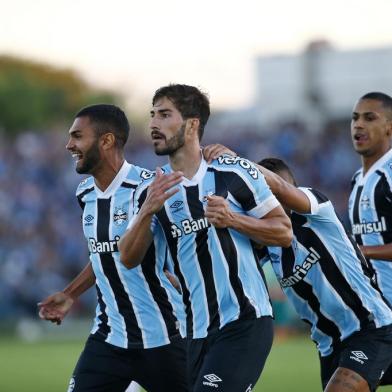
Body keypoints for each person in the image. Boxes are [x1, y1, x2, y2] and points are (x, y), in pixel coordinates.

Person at [119, 84, 293, 391]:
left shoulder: (233, 172)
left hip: (244, 320)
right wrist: (147, 211)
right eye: (151, 115)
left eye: (164, 115)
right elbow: (128, 257)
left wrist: (232, 219)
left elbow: (283, 231)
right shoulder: (151, 191)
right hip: (195, 332)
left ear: (192, 123)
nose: (153, 124)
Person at [38, 104, 189, 392]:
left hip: (163, 336)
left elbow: (131, 258)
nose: (69, 145)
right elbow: (103, 255)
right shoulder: (84, 193)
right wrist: (70, 293)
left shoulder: (149, 189)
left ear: (106, 140)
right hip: (109, 336)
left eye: (77, 136)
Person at [257, 157, 392, 392]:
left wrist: (236, 163)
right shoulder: (267, 240)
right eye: (264, 196)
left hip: (370, 328)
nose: (275, 201)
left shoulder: (317, 210)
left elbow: (279, 187)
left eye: (279, 192)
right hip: (329, 346)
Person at [349, 92, 392, 386]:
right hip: (377, 316)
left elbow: (361, 250)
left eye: (369, 117)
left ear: (390, 127)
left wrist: (361, 251)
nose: (358, 125)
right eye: (354, 118)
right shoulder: (358, 180)